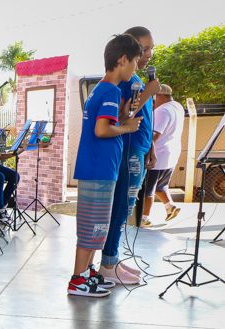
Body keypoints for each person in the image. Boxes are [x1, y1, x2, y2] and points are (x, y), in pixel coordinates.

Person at [69, 35, 143, 297]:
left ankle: (87, 274)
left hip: (100, 169)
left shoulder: (102, 90)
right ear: (122, 59)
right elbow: (101, 130)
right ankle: (77, 281)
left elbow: (105, 123)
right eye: (135, 61)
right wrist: (127, 127)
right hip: (98, 170)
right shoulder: (110, 90)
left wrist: (123, 114)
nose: (136, 67)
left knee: (97, 227)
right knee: (92, 228)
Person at [97, 26, 161, 284]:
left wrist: (151, 147)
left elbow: (144, 117)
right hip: (128, 148)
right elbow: (124, 115)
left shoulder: (136, 79)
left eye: (151, 49)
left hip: (140, 147)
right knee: (121, 206)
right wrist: (148, 93)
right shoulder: (124, 80)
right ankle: (108, 261)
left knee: (127, 206)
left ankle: (113, 258)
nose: (148, 54)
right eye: (144, 49)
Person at [142, 83, 183, 225]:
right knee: (161, 185)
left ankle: (144, 218)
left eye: (154, 98)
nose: (153, 102)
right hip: (172, 154)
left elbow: (155, 135)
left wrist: (146, 151)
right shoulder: (177, 106)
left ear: (160, 95)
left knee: (148, 188)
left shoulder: (163, 110)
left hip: (158, 154)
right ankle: (170, 206)